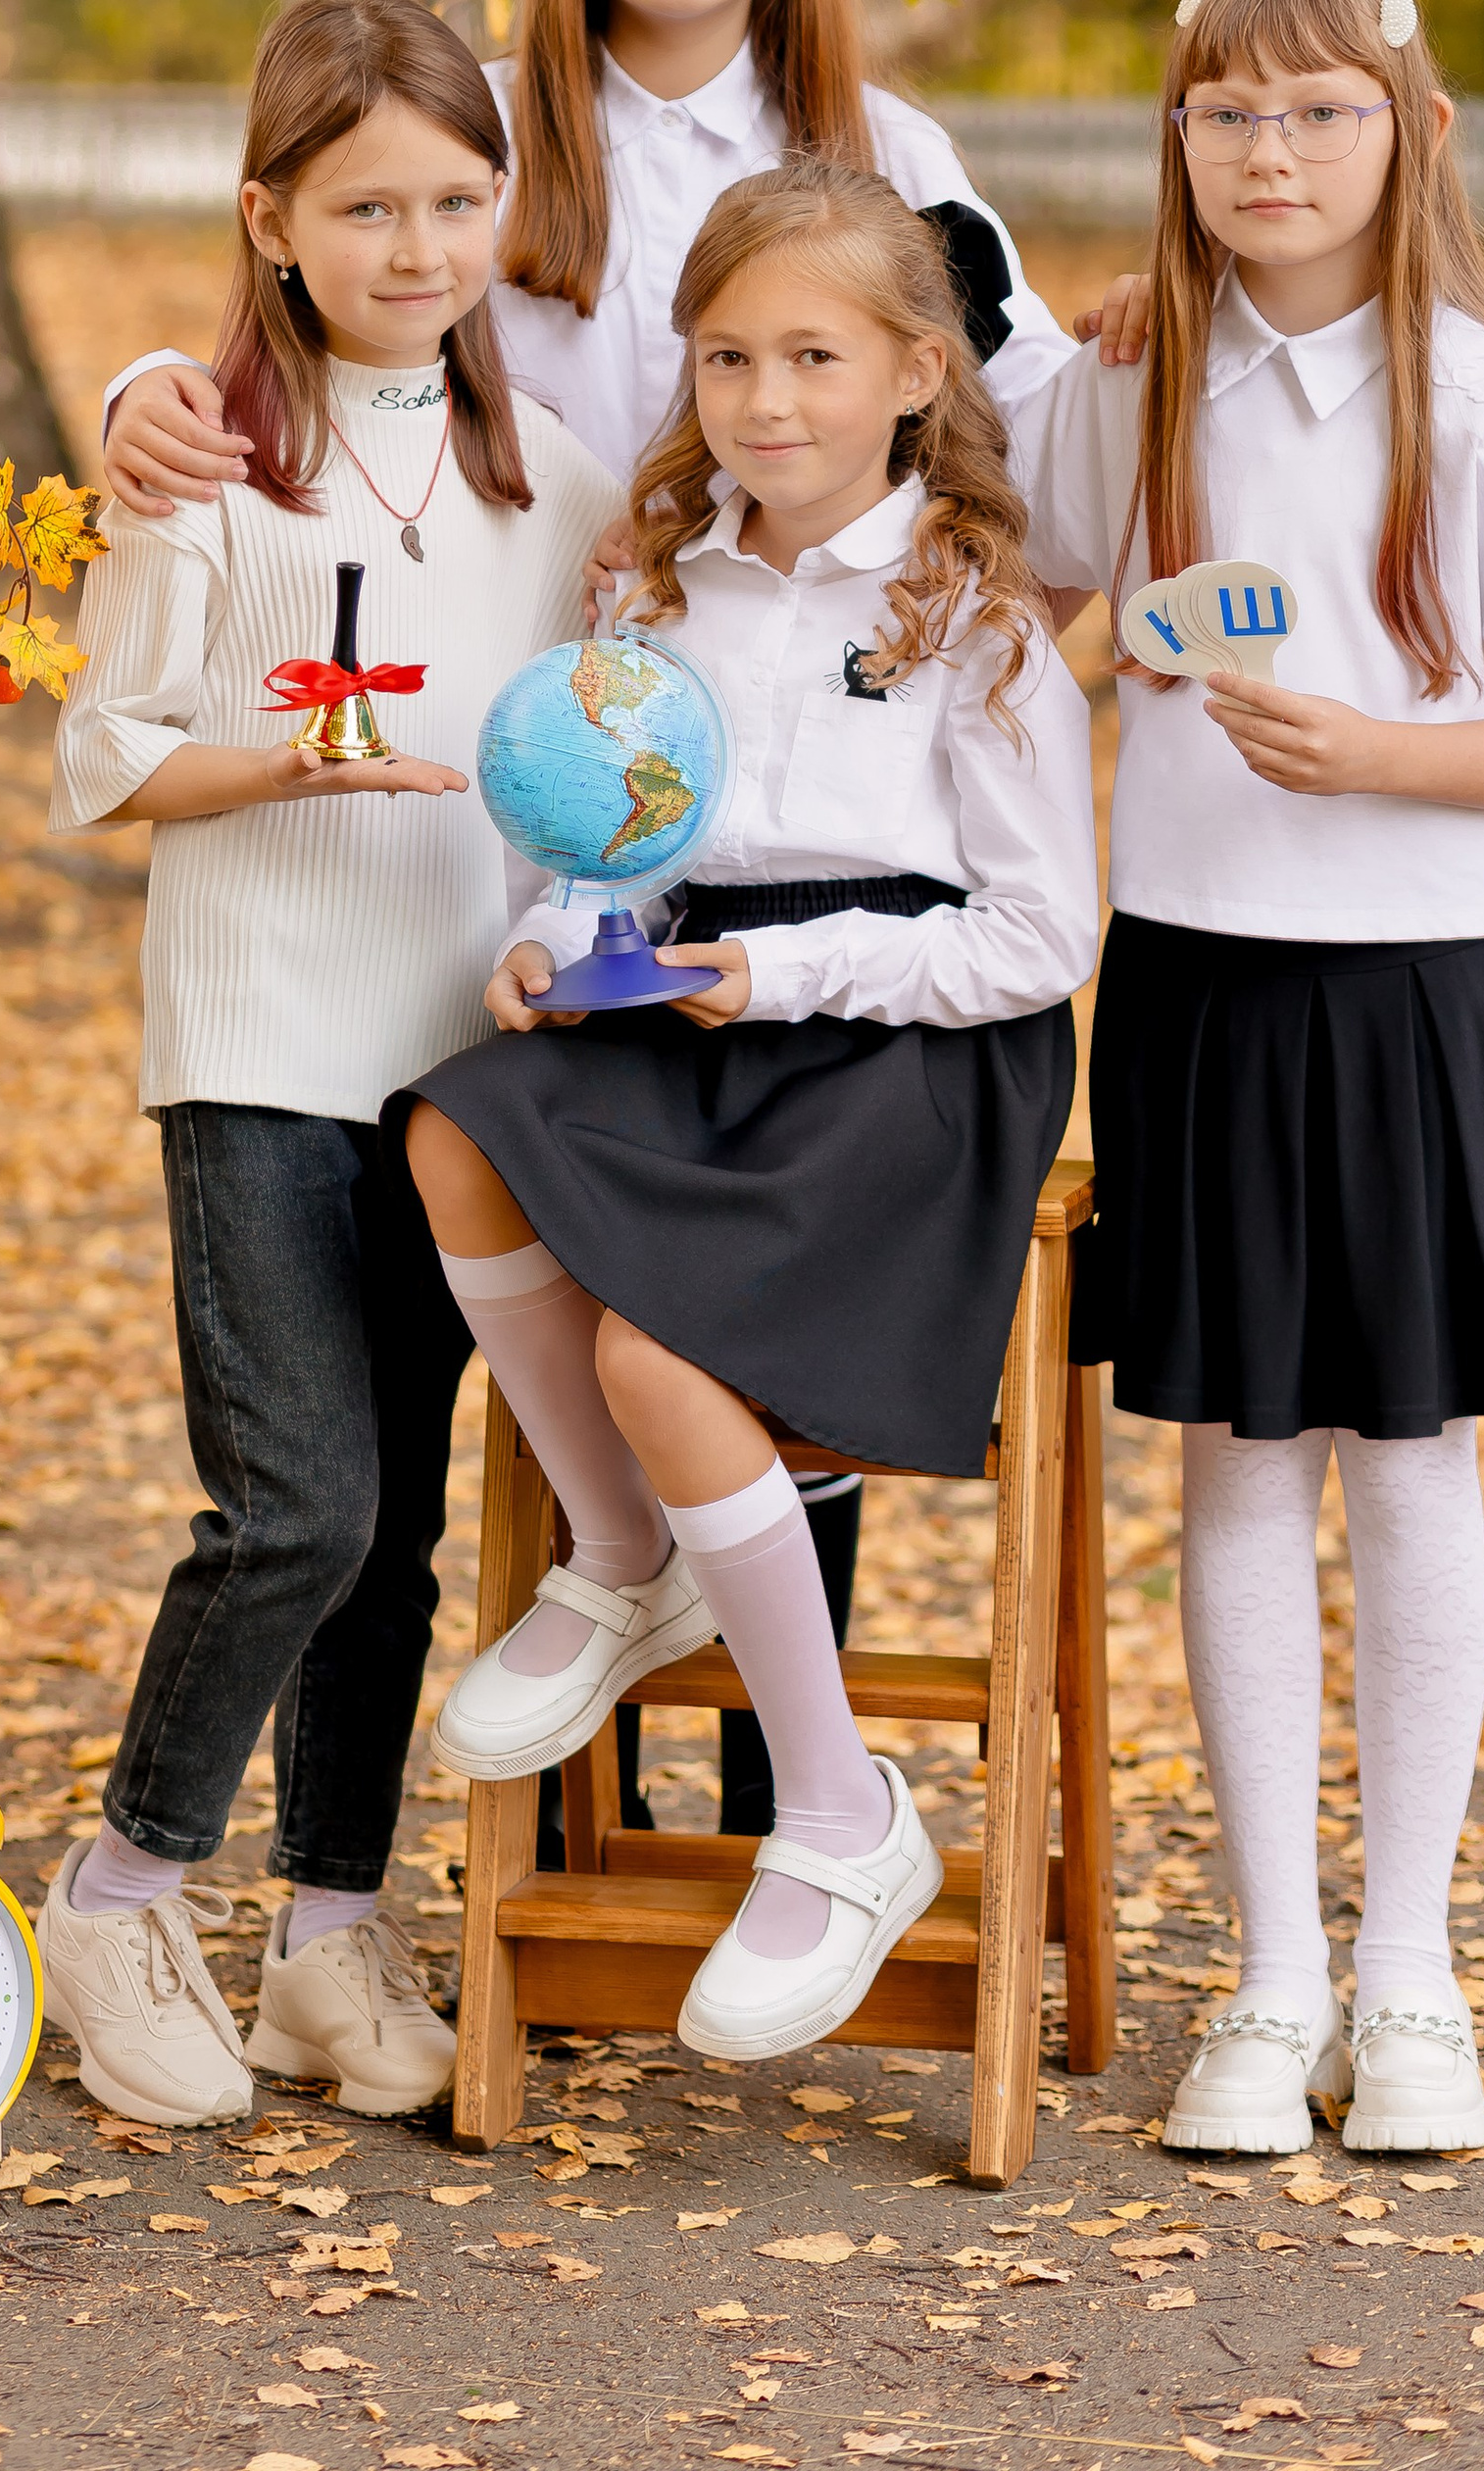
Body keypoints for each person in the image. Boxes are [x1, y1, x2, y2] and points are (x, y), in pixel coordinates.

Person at [97, 0, 1079, 1835]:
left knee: (743, 1338)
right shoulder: (494, 140)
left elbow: (1029, 458)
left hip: (800, 862)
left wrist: (926, 696)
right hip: (532, 834)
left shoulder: (894, 159)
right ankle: (544, 1856)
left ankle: (771, 1823)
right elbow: (323, 319)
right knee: (497, 1354)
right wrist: (141, 390)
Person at [1014, 0, 1484, 2160]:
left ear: (1411, 132)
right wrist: (1075, 656)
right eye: (1224, 112)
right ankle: (1271, 1977)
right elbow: (1022, 612)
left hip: (1422, 989)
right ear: (1173, 137)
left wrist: (1382, 757)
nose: (1267, 150)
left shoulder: (1483, 399)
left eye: (1316, 110)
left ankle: (1412, 1972)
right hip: (1194, 983)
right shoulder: (1123, 385)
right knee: (1234, 1459)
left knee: (1408, 1457)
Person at [403, 161, 1099, 2060]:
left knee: (658, 1351)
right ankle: (625, 1559)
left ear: (914, 372)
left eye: (812, 355)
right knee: (459, 1123)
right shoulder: (653, 587)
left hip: (907, 1050)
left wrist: (783, 974)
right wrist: (556, 939)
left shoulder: (974, 615)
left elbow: (1039, 934)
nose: (764, 398)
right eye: (726, 356)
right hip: (699, 1010)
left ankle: (840, 1811)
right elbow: (617, 850)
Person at [44, 0, 622, 2127]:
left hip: (456, 1068)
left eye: (456, 201)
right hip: (263, 1040)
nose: (417, 246)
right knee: (296, 1502)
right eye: (365, 206)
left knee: (392, 1538)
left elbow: (582, 759)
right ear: (269, 218)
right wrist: (283, 759)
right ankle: (115, 1891)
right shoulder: (204, 467)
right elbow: (106, 758)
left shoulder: (548, 484)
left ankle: (325, 1935)